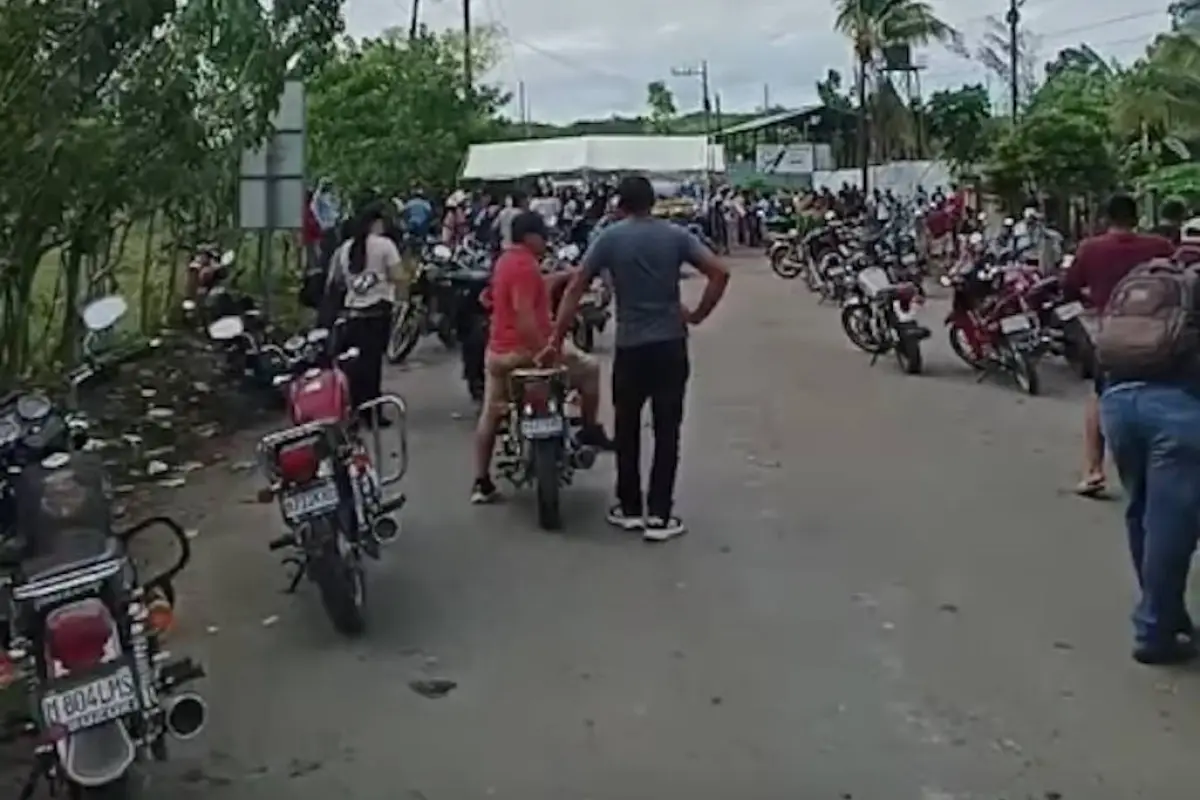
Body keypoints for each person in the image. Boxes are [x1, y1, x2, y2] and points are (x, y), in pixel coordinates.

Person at [547, 175, 730, 541]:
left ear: (621, 204)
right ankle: (660, 516)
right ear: (652, 203)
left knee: (627, 427)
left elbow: (575, 287)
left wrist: (556, 337)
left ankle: (630, 508)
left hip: (630, 348)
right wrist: (695, 315)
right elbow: (719, 272)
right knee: (667, 430)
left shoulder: (609, 239)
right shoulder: (675, 236)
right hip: (669, 345)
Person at [1094, 221, 1200, 664]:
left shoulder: (1150, 277)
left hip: (1119, 406)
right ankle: (1154, 630)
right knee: (1172, 526)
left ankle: (1166, 613)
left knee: (1142, 512)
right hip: (1176, 411)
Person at [471, 211, 611, 504]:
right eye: (542, 236)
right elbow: (525, 317)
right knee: (590, 368)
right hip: (528, 350)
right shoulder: (525, 266)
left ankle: (481, 480)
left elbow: (535, 289)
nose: (546, 241)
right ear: (530, 237)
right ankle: (589, 429)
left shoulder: (506, 262)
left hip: (499, 354)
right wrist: (546, 353)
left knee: (492, 412)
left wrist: (566, 275)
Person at [1061, 193, 1175, 497]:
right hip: (1160, 335)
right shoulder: (1160, 247)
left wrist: (1094, 302)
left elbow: (1069, 288)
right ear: (1137, 218)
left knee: (1098, 397)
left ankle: (1093, 470)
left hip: (1112, 335)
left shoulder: (1090, 249)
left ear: (1104, 219)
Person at [325, 202, 403, 423]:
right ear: (375, 223)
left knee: (355, 365)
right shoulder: (385, 245)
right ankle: (373, 412)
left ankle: (355, 409)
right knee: (373, 365)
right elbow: (398, 275)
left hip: (352, 313)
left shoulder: (346, 248)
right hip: (377, 313)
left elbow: (336, 281)